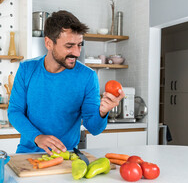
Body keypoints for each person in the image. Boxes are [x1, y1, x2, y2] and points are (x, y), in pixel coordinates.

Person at [8, 10, 125, 155]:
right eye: (69, 46)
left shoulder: (88, 76)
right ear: (49, 43)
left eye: (79, 45)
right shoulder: (27, 69)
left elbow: (94, 129)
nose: (77, 53)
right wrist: (37, 137)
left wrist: (102, 112)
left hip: (67, 157)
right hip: (27, 154)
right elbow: (15, 111)